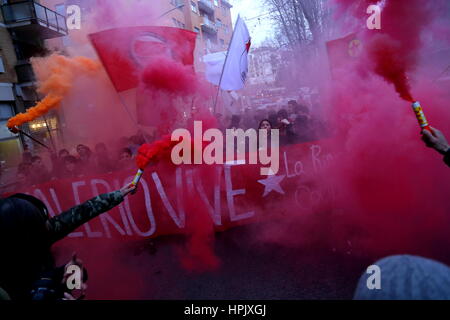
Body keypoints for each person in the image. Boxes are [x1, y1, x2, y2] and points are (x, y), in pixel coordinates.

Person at [0, 183, 137, 300]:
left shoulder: (36, 235)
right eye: (42, 221)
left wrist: (117, 195)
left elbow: (80, 212)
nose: (49, 224)